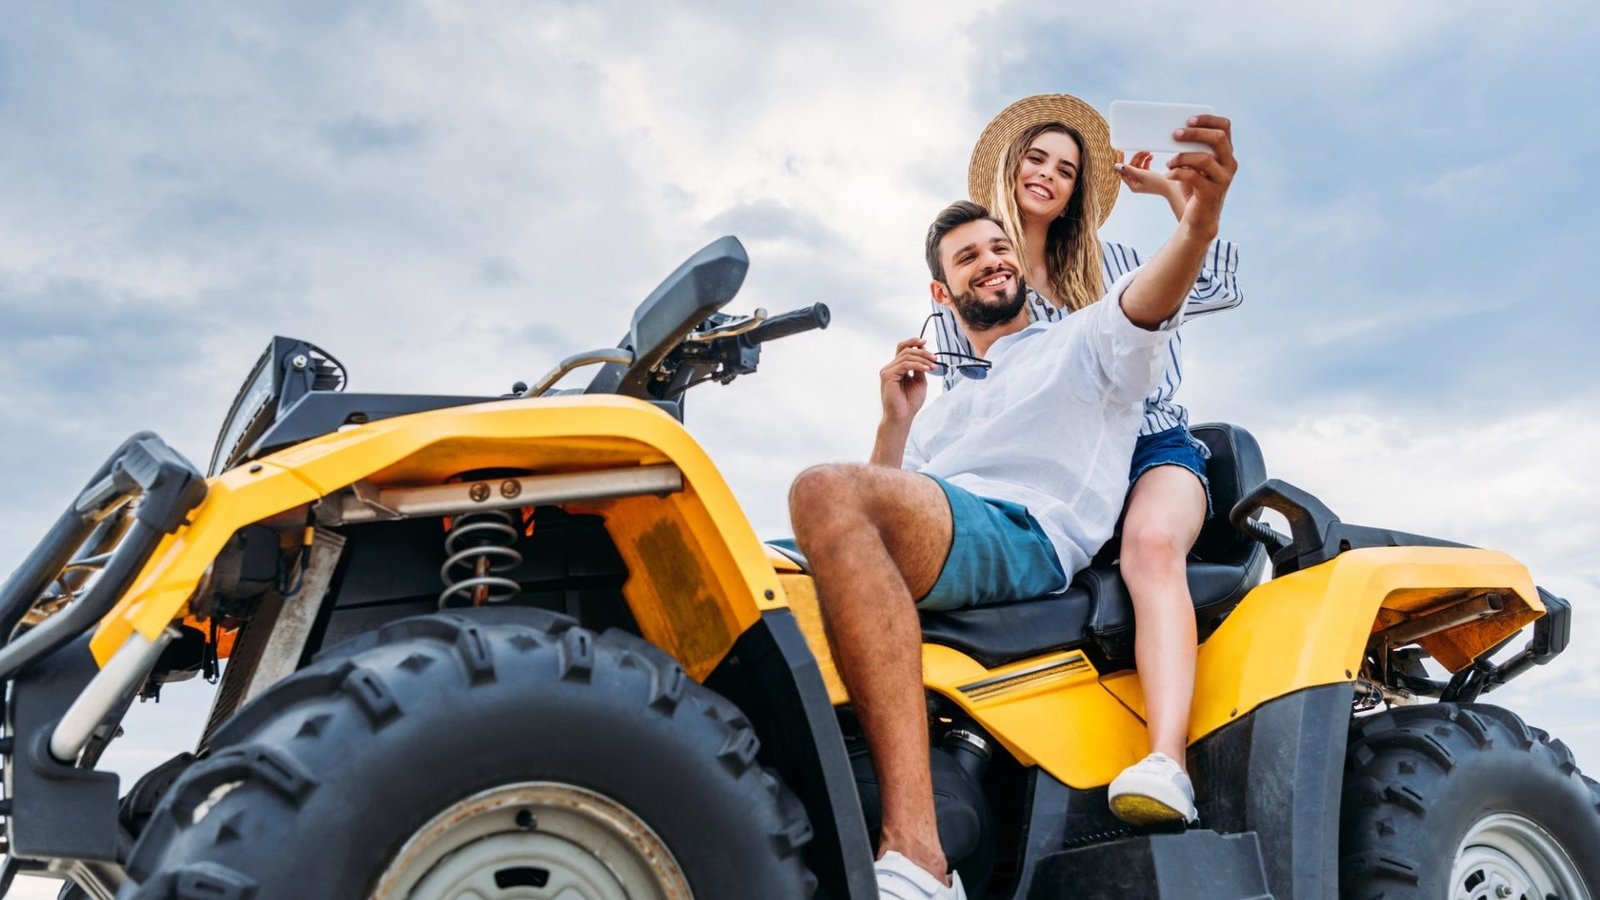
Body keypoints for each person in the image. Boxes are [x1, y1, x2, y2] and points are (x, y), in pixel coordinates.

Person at [788, 115, 1236, 900]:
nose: (993, 260)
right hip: (952, 510)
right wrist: (895, 421)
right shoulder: (951, 390)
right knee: (758, 567)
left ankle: (927, 853)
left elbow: (1163, 294)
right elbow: (883, 504)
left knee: (1150, 551)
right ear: (940, 290)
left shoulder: (1089, 326)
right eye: (970, 256)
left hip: (1095, 482)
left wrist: (1193, 218)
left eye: (998, 251)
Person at [933, 94, 1243, 827]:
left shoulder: (1121, 262)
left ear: (1078, 192)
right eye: (1037, 158)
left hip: (1149, 448)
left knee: (1151, 548)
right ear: (1010, 169)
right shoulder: (977, 290)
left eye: (1068, 169)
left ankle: (1168, 760)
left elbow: (1222, 279)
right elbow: (959, 416)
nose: (1049, 175)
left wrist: (1178, 198)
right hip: (1045, 472)